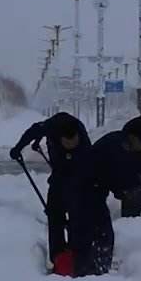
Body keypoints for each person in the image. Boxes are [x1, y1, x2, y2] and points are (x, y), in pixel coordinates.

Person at [62, 121, 141, 277]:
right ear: (133, 137)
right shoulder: (116, 146)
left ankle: (95, 271)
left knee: (101, 234)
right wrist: (124, 188)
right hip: (83, 194)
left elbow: (129, 168)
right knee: (91, 235)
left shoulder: (120, 143)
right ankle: (86, 273)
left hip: (93, 193)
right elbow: (119, 169)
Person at [9, 112, 90, 267]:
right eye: (67, 143)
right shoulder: (51, 126)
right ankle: (57, 255)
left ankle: (76, 253)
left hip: (77, 177)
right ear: (60, 138)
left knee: (77, 216)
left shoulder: (84, 141)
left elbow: (90, 167)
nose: (70, 147)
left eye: (74, 143)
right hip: (59, 174)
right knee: (55, 215)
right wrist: (18, 147)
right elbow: (33, 131)